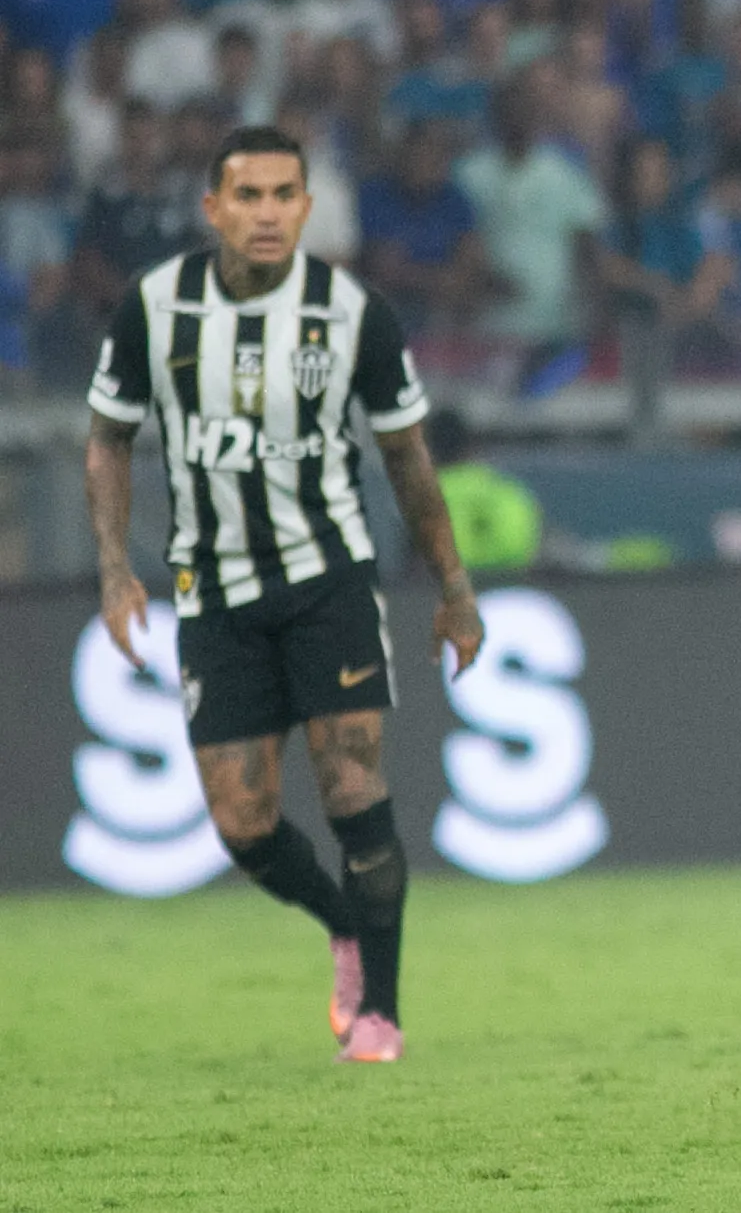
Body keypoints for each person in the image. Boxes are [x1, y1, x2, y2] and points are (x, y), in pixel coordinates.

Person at [83, 124, 485, 1065]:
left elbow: (406, 459)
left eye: (283, 195)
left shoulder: (352, 313)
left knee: (353, 787)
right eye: (247, 196)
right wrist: (113, 567)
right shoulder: (155, 306)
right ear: (213, 208)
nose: (267, 213)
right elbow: (106, 438)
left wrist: (454, 588)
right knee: (242, 822)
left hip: (327, 579)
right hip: (212, 591)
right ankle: (343, 924)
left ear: (307, 206)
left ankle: (380, 1012)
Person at [427, 408, 542, 572]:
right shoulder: (512, 493)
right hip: (513, 588)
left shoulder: (416, 499)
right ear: (471, 445)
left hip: (441, 590)